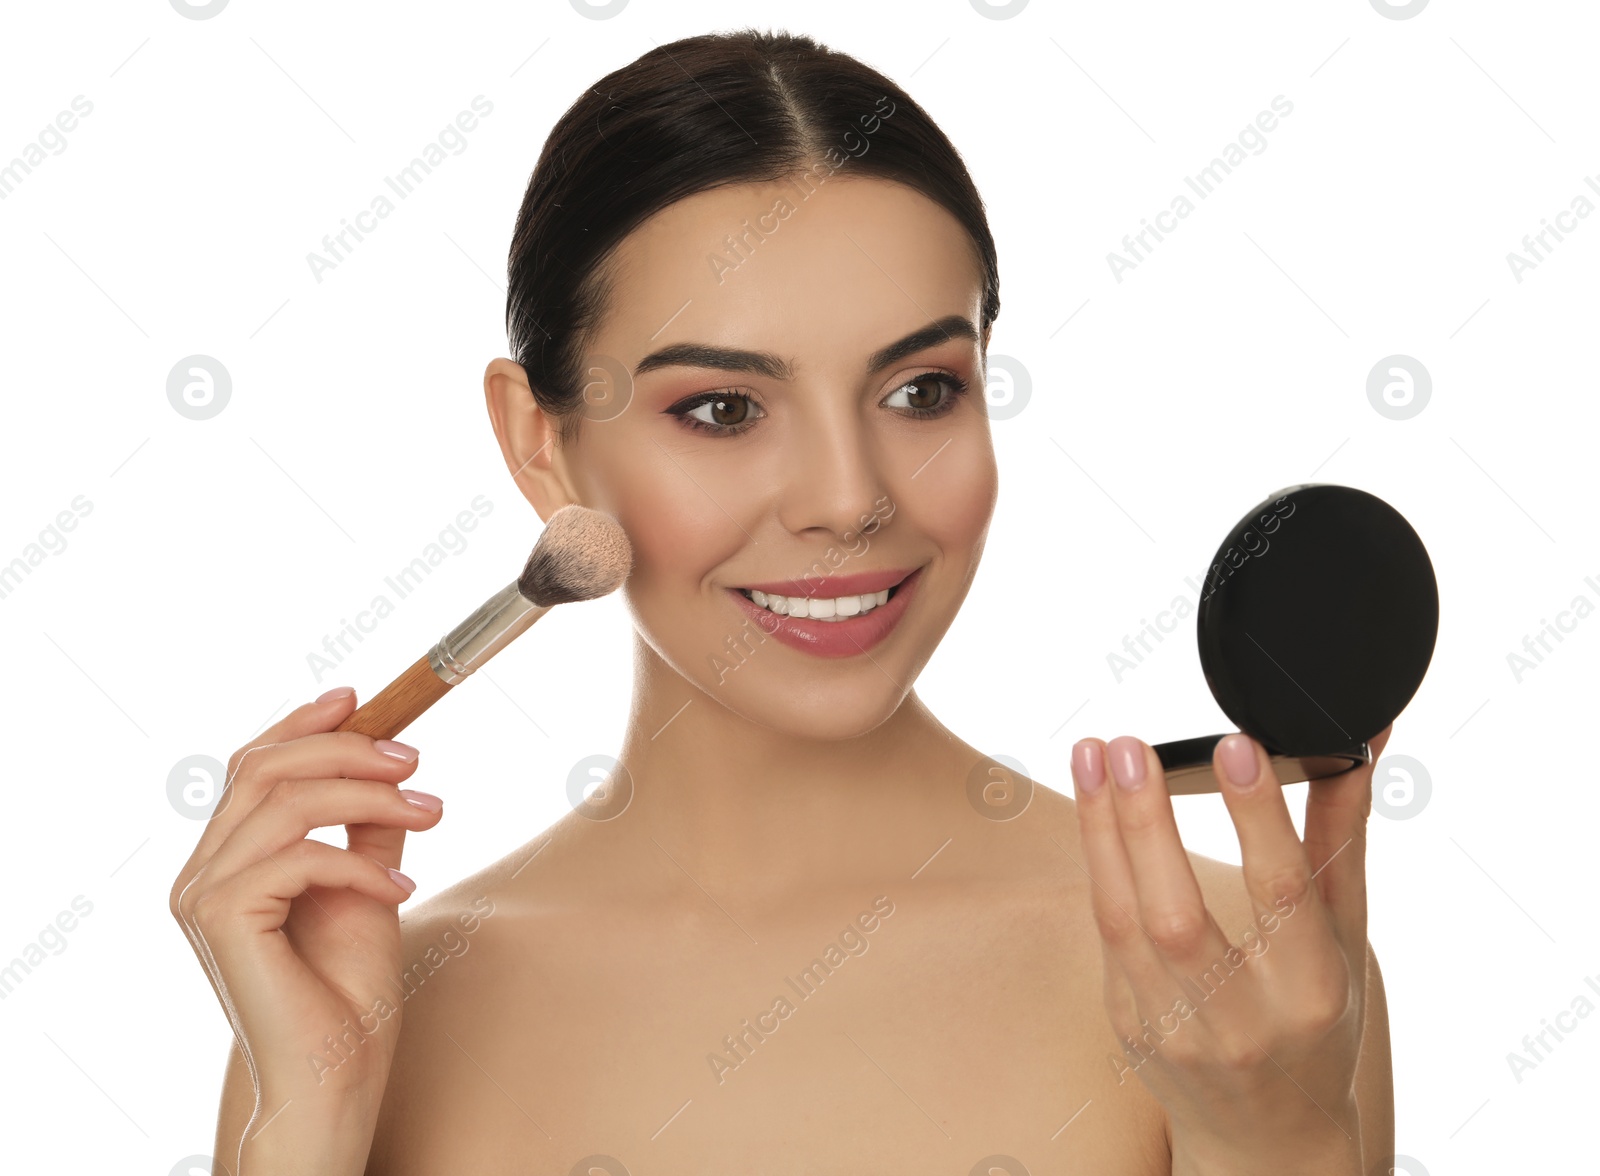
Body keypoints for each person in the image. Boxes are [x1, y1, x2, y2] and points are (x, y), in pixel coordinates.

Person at [170, 27, 1393, 1175]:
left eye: (919, 391)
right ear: (539, 443)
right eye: (722, 409)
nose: (848, 499)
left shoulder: (1230, 972)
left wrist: (1279, 1145)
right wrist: (305, 1125)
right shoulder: (363, 1014)